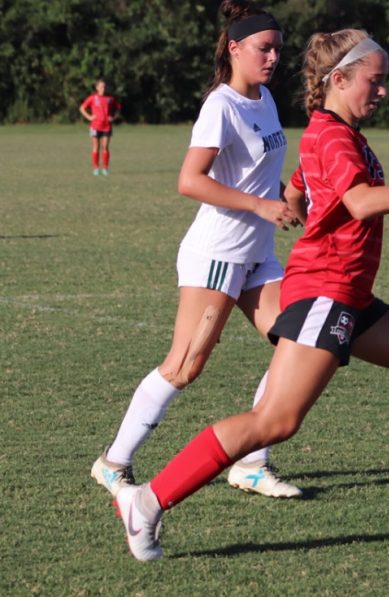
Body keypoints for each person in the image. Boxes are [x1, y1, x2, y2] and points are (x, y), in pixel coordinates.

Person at [111, 28, 389, 561]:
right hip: (325, 294)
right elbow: (358, 202)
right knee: (275, 422)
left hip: (349, 293)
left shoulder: (331, 132)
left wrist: (296, 203)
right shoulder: (332, 135)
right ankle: (146, 502)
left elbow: (306, 189)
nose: (382, 91)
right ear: (340, 79)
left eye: (384, 81)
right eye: (374, 82)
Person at [91, 0, 302, 502]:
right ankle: (113, 462)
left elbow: (264, 174)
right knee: (185, 366)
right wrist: (259, 204)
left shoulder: (266, 99)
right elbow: (189, 180)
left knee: (296, 343)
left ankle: (252, 463)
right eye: (264, 49)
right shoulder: (221, 106)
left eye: (277, 50)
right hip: (218, 253)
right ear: (235, 48)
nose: (273, 58)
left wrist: (291, 200)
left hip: (257, 253)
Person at [79, 79, 122, 176]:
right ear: (97, 88)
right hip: (95, 126)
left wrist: (113, 117)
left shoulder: (110, 98)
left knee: (105, 147)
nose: (103, 88)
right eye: (101, 87)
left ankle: (105, 168)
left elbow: (118, 108)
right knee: (96, 146)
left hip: (107, 126)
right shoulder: (93, 98)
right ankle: (95, 168)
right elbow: (82, 108)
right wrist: (89, 117)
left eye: (104, 86)